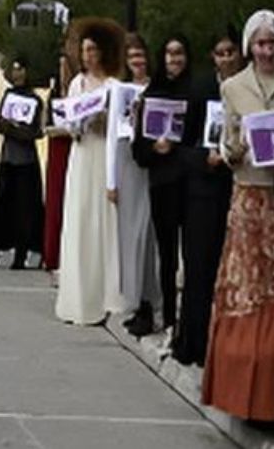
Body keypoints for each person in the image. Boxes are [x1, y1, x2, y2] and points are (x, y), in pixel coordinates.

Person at [200, 10, 274, 426]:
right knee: (246, 291)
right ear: (250, 46)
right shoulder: (233, 87)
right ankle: (242, 397)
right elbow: (226, 142)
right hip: (248, 200)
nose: (266, 50)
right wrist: (237, 151)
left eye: (272, 43)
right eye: (260, 43)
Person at [173, 28, 243, 366]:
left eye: (231, 51)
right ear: (213, 57)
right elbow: (182, 147)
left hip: (239, 189)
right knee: (199, 271)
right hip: (203, 192)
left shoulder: (249, 90)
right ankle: (193, 344)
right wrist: (205, 159)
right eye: (220, 52)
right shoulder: (200, 89)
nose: (227, 58)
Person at [56, 18, 127, 325]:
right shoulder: (77, 84)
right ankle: (79, 297)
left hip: (106, 153)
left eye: (93, 49)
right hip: (83, 152)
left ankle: (108, 295)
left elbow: (123, 121)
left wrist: (104, 117)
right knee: (82, 218)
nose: (88, 56)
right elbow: (68, 120)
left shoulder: (113, 85)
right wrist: (78, 122)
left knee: (105, 221)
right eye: (84, 50)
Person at [133, 35, 197, 340]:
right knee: (168, 256)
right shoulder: (151, 94)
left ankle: (193, 321)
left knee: (194, 255)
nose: (174, 59)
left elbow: (204, 137)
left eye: (180, 53)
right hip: (162, 184)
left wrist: (179, 146)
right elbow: (138, 151)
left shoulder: (196, 93)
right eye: (169, 53)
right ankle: (170, 318)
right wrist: (155, 148)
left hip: (193, 185)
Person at [0, 60, 45, 269]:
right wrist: (6, 126)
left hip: (26, 162)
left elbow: (34, 131)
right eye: (15, 70)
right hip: (8, 159)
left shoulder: (35, 99)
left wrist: (13, 129)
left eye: (22, 70)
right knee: (0, 207)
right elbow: (0, 122)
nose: (18, 74)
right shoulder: (9, 95)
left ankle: (21, 254)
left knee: (25, 211)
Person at [113, 35, 158, 337]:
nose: (137, 61)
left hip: (152, 161)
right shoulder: (120, 90)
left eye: (141, 55)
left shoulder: (157, 89)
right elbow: (114, 132)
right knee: (130, 234)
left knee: (149, 233)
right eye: (132, 56)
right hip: (125, 158)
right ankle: (135, 299)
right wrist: (110, 180)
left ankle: (150, 301)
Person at [41, 51, 75, 274]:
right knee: (54, 200)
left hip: (72, 147)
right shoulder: (53, 96)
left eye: (66, 67)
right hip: (56, 148)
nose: (63, 72)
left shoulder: (79, 92)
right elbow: (45, 124)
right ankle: (51, 253)